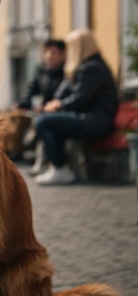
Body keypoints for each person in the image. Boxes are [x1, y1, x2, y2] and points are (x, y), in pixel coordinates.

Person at [35, 29, 119, 186]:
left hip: (94, 122)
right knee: (47, 121)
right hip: (88, 119)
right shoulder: (82, 66)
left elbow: (82, 99)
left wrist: (59, 105)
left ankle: (61, 168)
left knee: (43, 122)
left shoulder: (92, 67)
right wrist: (55, 103)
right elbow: (64, 93)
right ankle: (58, 167)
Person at [2, 39, 66, 162]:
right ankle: (11, 149)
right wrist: (23, 103)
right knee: (13, 115)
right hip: (43, 108)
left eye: (53, 53)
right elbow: (31, 88)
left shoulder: (66, 71)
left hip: (54, 109)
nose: (49, 56)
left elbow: (62, 95)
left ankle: (37, 153)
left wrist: (46, 106)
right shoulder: (42, 69)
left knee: (41, 121)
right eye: (46, 52)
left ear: (63, 55)